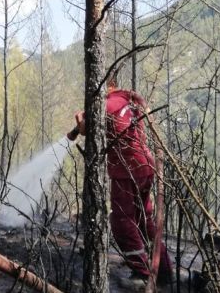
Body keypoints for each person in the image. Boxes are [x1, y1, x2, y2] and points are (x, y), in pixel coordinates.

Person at [68, 68, 173, 286]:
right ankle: (163, 271)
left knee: (122, 222)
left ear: (106, 84)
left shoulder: (107, 104)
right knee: (145, 220)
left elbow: (86, 126)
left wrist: (80, 122)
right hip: (146, 167)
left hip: (127, 171)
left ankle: (143, 273)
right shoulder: (131, 99)